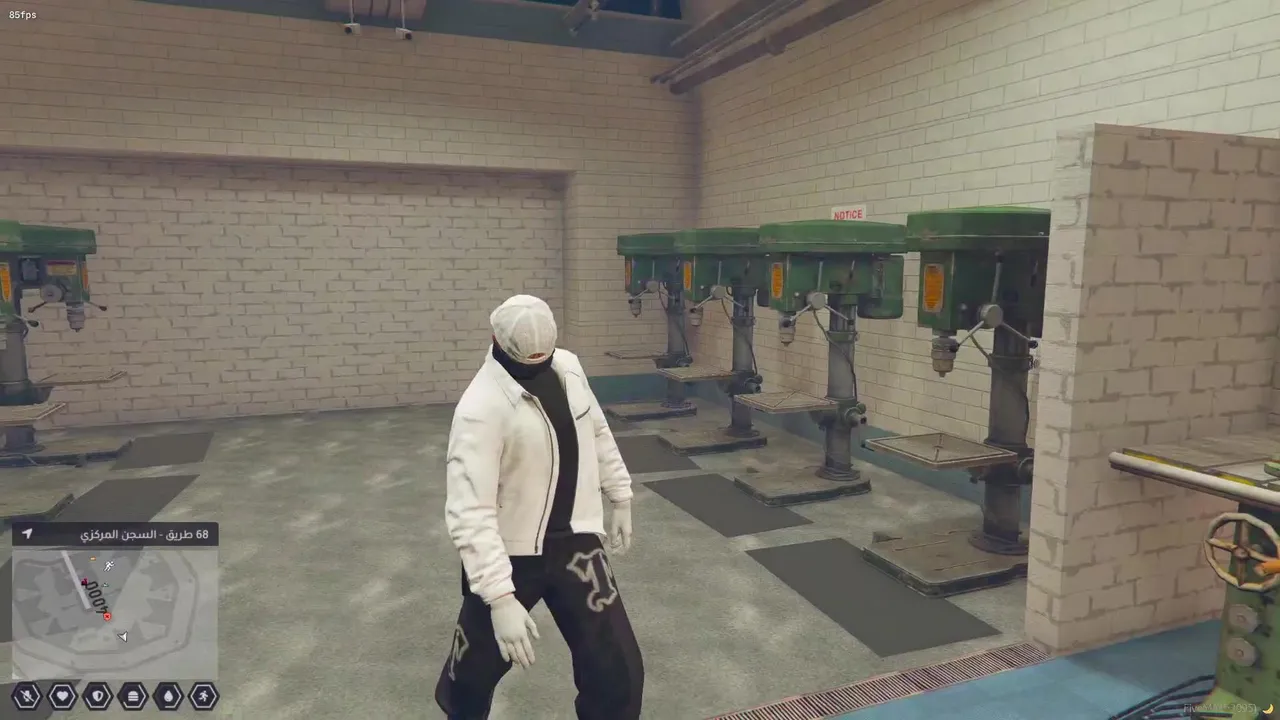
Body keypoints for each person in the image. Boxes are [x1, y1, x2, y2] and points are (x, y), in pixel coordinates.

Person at [435, 294, 644, 720]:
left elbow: (596, 430)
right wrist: (499, 598)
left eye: (543, 355)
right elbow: (470, 511)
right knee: (469, 676)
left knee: (618, 669)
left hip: (575, 543)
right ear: (497, 340)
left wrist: (619, 494)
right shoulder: (480, 409)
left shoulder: (569, 367)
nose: (537, 362)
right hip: (509, 552)